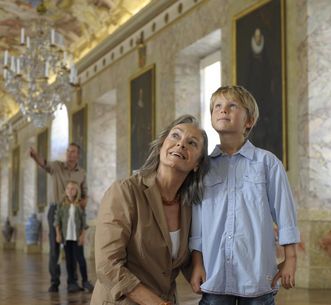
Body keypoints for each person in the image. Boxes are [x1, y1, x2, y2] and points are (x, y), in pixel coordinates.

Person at [189, 85, 300, 305]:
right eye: (217, 106)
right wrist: (197, 264)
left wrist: (291, 259)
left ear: (248, 121)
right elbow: (198, 221)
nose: (223, 110)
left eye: (232, 106)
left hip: (257, 276)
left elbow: (286, 213)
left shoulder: (267, 163)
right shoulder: (203, 168)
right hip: (215, 273)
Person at [90, 114, 209, 305]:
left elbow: (174, 259)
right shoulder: (125, 191)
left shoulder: (190, 206)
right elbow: (107, 266)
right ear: (162, 145)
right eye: (175, 136)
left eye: (192, 143)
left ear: (197, 164)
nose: (181, 144)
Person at [29, 143, 93, 293]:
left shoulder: (81, 173)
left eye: (73, 152)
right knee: (54, 248)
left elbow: (85, 193)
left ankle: (73, 282)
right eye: (68, 151)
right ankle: (54, 282)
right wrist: (35, 156)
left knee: (72, 249)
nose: (70, 154)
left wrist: (81, 206)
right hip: (56, 209)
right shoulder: (57, 166)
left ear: (78, 155)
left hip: (73, 211)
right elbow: (44, 164)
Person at [55, 181, 94, 293]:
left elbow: (83, 222)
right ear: (65, 191)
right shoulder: (62, 204)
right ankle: (72, 282)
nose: (70, 191)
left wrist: (82, 235)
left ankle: (85, 281)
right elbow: (57, 220)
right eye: (68, 188)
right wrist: (58, 234)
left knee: (81, 260)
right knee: (69, 261)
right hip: (66, 238)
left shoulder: (80, 205)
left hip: (77, 237)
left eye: (73, 189)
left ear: (76, 190)